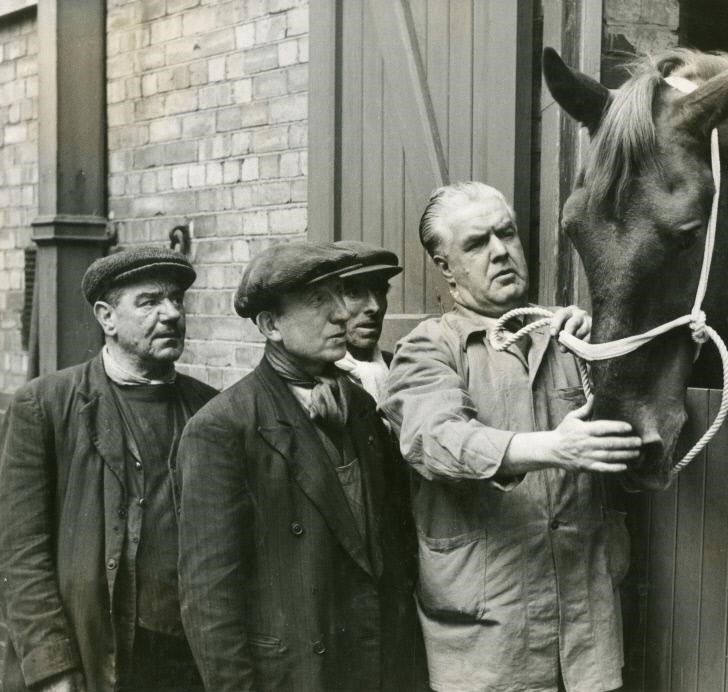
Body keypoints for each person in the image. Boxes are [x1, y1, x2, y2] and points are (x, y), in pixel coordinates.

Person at [381, 181, 643, 692]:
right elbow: (435, 439)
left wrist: (603, 342)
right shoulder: (427, 349)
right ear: (445, 267)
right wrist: (551, 447)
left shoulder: (570, 338)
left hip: (586, 636)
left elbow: (640, 427)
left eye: (506, 233)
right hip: (490, 643)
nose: (500, 251)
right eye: (477, 244)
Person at [176, 241, 423, 692]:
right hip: (295, 675)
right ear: (271, 325)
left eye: (337, 296)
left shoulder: (360, 405)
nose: (341, 315)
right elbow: (211, 601)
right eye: (317, 302)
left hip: (378, 666)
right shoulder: (223, 428)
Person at [0, 247, 217, 692]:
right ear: (107, 317)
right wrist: (52, 668)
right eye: (150, 301)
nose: (172, 313)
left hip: (187, 660)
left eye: (177, 299)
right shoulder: (45, 405)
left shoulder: (212, 410)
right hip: (90, 652)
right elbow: (21, 553)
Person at [331, 240, 403, 403]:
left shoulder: (398, 369)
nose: (375, 306)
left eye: (380, 291)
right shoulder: (315, 382)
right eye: (354, 293)